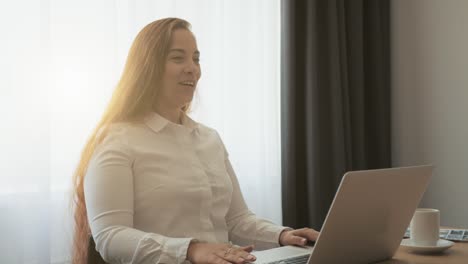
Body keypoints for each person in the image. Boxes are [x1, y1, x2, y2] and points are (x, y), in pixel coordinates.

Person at [72, 17, 319, 264]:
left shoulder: (209, 139)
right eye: (178, 58)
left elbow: (236, 220)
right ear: (148, 67)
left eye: (196, 59)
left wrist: (284, 236)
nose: (192, 68)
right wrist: (190, 250)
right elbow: (110, 236)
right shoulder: (117, 140)